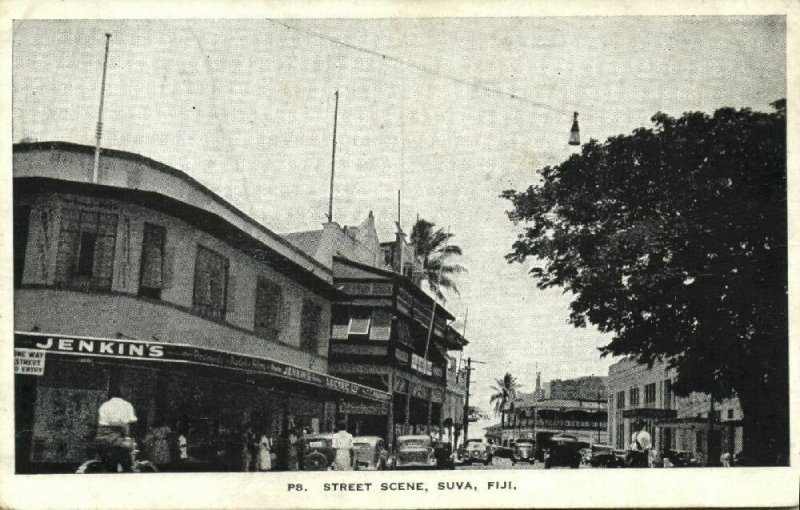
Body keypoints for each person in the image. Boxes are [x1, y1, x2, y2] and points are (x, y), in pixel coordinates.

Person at [94, 385, 138, 472]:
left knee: (108, 465)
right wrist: (128, 438)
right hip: (116, 439)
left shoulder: (104, 405)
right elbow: (126, 425)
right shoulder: (126, 405)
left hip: (101, 438)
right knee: (128, 466)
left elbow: (99, 422)